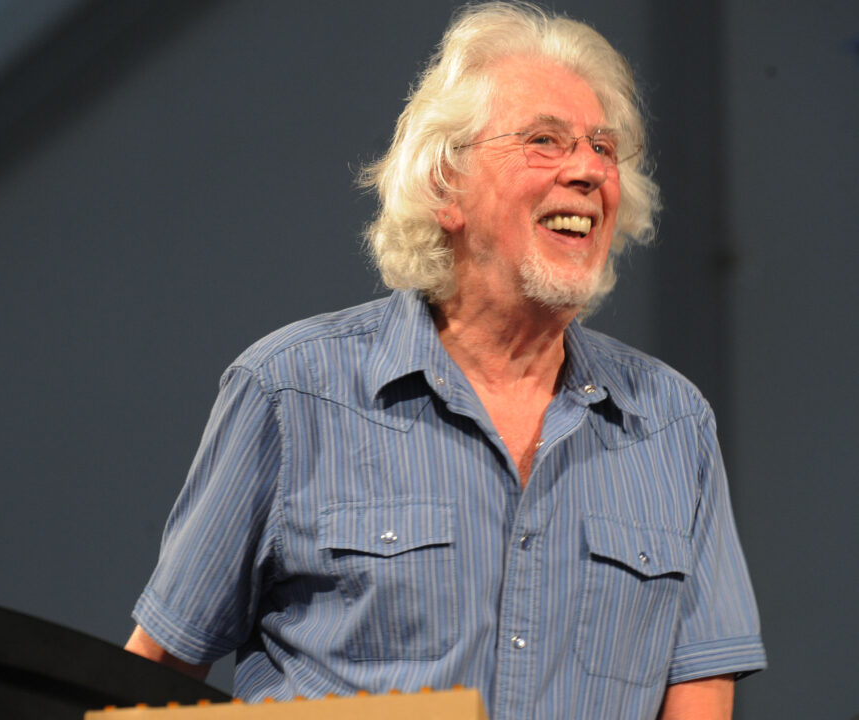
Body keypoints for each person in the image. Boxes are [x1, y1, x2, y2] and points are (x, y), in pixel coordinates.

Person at [124, 2, 766, 717]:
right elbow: (158, 673)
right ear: (445, 185)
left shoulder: (673, 424)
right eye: (545, 141)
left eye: (604, 149)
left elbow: (700, 690)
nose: (588, 170)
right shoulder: (291, 390)